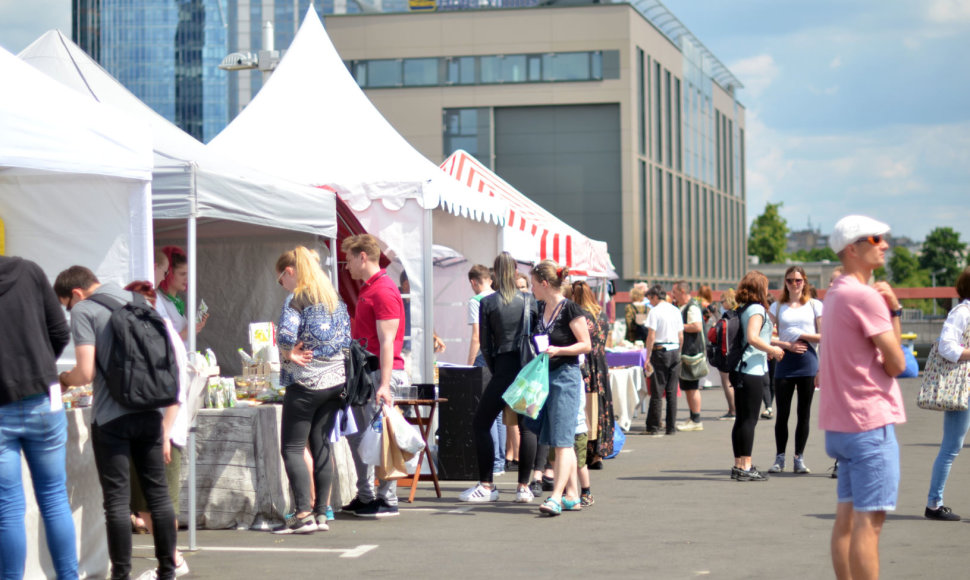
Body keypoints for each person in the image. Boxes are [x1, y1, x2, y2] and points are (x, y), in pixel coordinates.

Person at [55, 266, 179, 580]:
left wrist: (64, 380)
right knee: (158, 495)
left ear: (77, 293)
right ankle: (168, 570)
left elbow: (85, 372)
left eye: (67, 304)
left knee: (117, 501)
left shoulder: (84, 310)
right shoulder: (138, 299)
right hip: (150, 409)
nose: (69, 311)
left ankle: (121, 574)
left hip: (111, 417)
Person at [819, 215, 905, 580]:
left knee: (847, 520)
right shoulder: (865, 295)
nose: (884, 243)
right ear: (852, 249)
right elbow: (897, 363)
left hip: (840, 425)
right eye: (875, 238)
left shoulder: (835, 294)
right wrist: (895, 310)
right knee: (870, 525)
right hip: (869, 421)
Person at [0, 256, 78, 579]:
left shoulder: (30, 271)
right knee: (54, 497)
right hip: (43, 401)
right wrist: (42, 365)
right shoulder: (29, 270)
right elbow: (60, 332)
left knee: (8, 510)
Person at [272, 247, 351, 533]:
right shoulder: (333, 297)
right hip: (335, 381)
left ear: (290, 272)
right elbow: (346, 339)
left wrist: (288, 353)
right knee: (321, 445)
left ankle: (302, 513)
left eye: (280, 279)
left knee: (292, 447)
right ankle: (321, 514)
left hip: (305, 381)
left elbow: (284, 334)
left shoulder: (296, 298)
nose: (282, 284)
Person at [459, 252, 539, 503]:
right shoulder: (529, 300)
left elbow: (485, 344)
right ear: (516, 272)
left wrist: (495, 370)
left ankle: (487, 485)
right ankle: (523, 487)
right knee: (527, 427)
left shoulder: (488, 302)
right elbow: (537, 336)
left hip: (503, 366)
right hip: (526, 368)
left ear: (494, 272)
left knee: (481, 423)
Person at [123, 282, 190, 576]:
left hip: (164, 429)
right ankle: (171, 559)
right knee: (146, 505)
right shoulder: (150, 330)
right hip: (153, 428)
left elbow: (175, 386)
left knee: (160, 502)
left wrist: (165, 431)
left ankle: (172, 562)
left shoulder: (160, 332)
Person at [340, 234, 409, 518]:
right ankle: (368, 494)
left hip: (380, 372)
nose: (347, 267)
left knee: (382, 435)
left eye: (349, 260)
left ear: (363, 257)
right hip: (368, 372)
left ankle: (387, 497)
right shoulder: (372, 288)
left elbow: (388, 341)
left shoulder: (382, 290)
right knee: (364, 435)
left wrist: (384, 383)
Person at [530, 261, 591, 516]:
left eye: (533, 284)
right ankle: (573, 495)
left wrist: (559, 350)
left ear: (544, 284)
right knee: (555, 439)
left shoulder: (570, 309)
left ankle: (556, 496)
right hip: (547, 376)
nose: (531, 289)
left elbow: (585, 344)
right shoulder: (542, 308)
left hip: (566, 376)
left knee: (563, 441)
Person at [924, 266, 970, 521]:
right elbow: (946, 347)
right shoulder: (962, 312)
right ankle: (933, 503)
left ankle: (934, 502)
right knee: (951, 446)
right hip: (962, 387)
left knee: (952, 446)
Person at [767, 266, 823, 475]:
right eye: (790, 280)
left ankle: (799, 457)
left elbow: (824, 335)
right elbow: (763, 335)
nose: (794, 284)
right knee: (782, 413)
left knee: (804, 414)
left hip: (807, 361)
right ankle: (779, 457)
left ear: (804, 282)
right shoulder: (777, 306)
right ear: (785, 283)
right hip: (784, 360)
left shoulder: (815, 305)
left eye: (798, 280)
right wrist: (785, 344)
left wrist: (802, 335)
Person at [730, 271, 784, 482]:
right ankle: (747, 465)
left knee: (741, 420)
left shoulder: (742, 308)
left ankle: (738, 465)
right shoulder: (756, 309)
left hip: (740, 368)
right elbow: (753, 338)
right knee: (749, 420)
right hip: (751, 370)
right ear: (760, 288)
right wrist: (773, 349)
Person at [571, 281, 614, 484]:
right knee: (601, 408)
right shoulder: (601, 314)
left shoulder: (578, 315)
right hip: (601, 364)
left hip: (586, 365)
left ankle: (586, 451)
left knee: (585, 408)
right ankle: (598, 453)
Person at [642, 285, 683, 437]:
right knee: (672, 391)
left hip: (660, 351)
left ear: (654, 297)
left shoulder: (654, 311)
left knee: (657, 390)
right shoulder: (675, 310)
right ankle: (670, 426)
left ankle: (653, 426)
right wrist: (679, 352)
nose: (649, 302)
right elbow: (681, 336)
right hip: (674, 350)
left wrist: (647, 356)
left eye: (649, 299)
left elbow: (651, 335)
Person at [156, 246, 208, 343]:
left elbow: (183, 337)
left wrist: (195, 328)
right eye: (182, 274)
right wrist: (186, 332)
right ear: (169, 273)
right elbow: (159, 344)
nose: (187, 278)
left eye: (188, 274)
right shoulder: (158, 300)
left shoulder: (176, 301)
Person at [672, 280, 705, 431]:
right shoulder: (685, 306)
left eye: (675, 292)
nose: (673, 295)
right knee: (688, 386)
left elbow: (696, 326)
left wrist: (678, 326)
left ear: (683, 292)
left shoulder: (692, 307)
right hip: (687, 352)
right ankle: (693, 417)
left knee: (692, 387)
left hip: (692, 353)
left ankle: (696, 419)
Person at [717, 289, 738, 420]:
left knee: (727, 381)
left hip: (726, 351)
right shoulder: (738, 314)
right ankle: (734, 408)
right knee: (732, 381)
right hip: (735, 350)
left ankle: (732, 409)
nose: (721, 304)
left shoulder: (727, 316)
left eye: (722, 301)